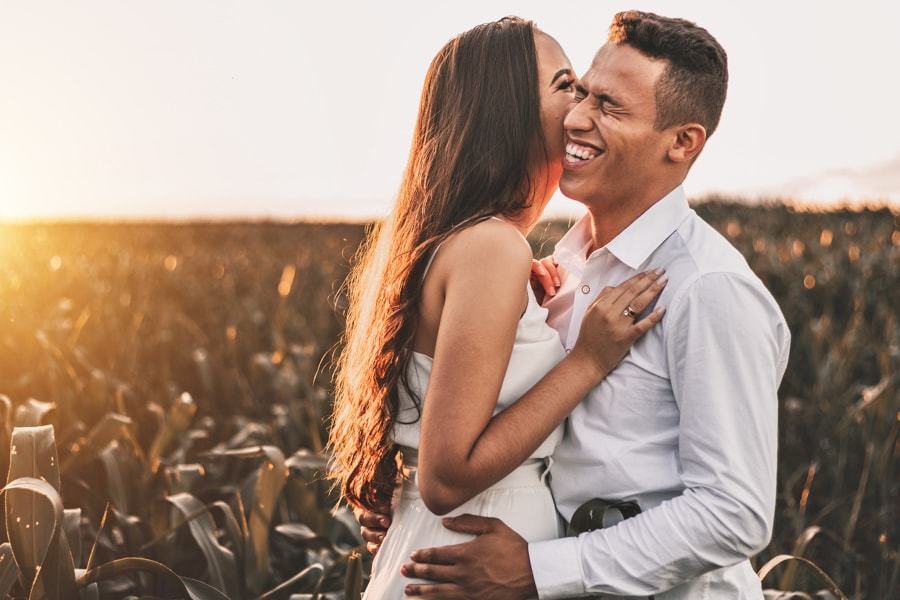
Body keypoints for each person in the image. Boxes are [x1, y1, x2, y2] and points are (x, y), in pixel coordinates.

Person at [363, 11, 792, 599]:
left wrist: (541, 569)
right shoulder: (556, 270)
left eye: (610, 107)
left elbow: (733, 513)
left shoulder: (707, 287)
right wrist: (406, 503)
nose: (579, 117)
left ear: (682, 142)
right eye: (578, 91)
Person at [327, 15, 668, 600]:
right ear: (507, 110)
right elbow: (446, 475)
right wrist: (586, 362)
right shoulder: (491, 247)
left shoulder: (471, 243)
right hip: (474, 550)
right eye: (566, 85)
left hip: (458, 546)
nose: (583, 105)